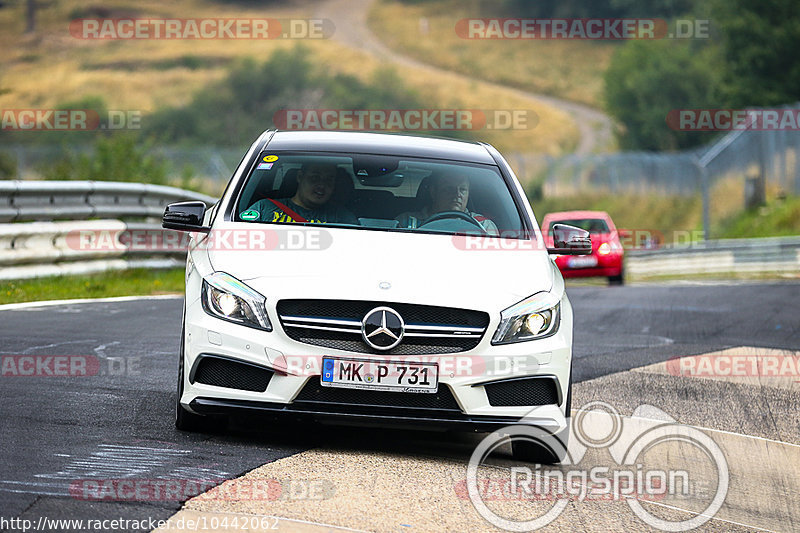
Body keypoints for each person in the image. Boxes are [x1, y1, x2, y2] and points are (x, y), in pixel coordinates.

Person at [244, 162, 358, 225]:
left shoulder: (343, 218)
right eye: (315, 177)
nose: (322, 185)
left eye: (329, 180)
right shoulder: (264, 208)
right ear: (300, 177)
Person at [396, 172, 498, 235]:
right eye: (449, 189)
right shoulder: (407, 223)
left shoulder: (484, 225)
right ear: (433, 192)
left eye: (462, 189)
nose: (457, 194)